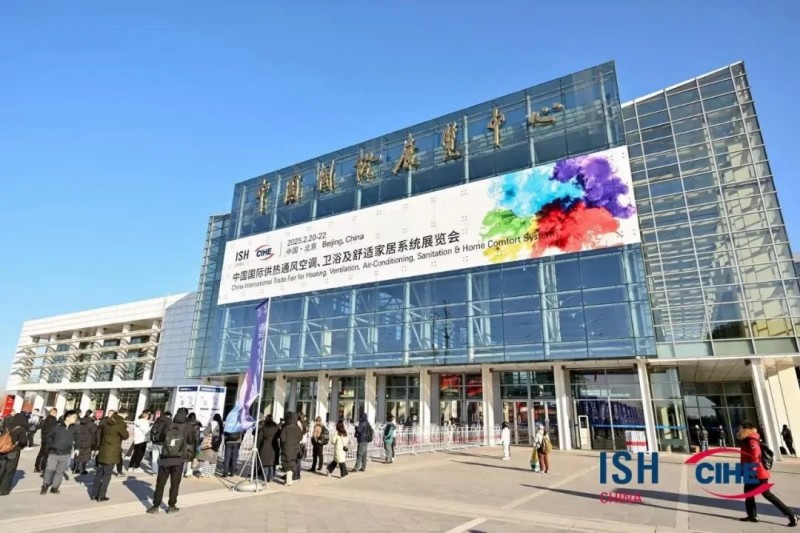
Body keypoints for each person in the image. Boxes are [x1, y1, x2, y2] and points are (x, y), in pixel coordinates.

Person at [737, 422, 798, 525]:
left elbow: (755, 456)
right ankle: (752, 515)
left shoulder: (751, 439)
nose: (739, 430)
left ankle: (791, 515)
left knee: (767, 494)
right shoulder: (746, 439)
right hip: (750, 470)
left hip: (756, 472)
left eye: (741, 428)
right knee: (748, 493)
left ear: (747, 429)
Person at [147, 408, 194, 514]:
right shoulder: (188, 426)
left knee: (160, 483)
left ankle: (155, 506)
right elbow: (191, 440)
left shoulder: (169, 424)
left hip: (166, 458)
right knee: (175, 484)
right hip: (179, 459)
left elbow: (161, 438)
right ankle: (171, 506)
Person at [91, 408, 129, 502]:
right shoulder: (120, 423)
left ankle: (94, 494)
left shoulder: (107, 421)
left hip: (103, 449)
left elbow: (99, 434)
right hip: (112, 451)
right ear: (124, 414)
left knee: (99, 473)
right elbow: (125, 436)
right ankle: (101, 495)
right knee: (107, 474)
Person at [41, 410, 79, 495]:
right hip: (54, 453)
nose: (75, 419)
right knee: (49, 469)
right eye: (74, 417)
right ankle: (45, 485)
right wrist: (53, 445)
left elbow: (78, 439)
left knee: (60, 471)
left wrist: (77, 448)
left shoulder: (74, 428)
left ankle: (54, 487)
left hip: (66, 454)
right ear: (68, 417)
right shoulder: (57, 427)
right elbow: (49, 437)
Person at [0, 412, 29, 495]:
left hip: (3, 450)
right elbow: (23, 441)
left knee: (1, 469)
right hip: (13, 451)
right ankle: (3, 490)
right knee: (9, 471)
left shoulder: (7, 427)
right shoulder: (21, 429)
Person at [279, 411, 303, 486]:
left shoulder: (287, 427)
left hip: (287, 448)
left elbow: (282, 438)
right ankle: (289, 479)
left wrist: (283, 444)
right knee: (292, 463)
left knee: (286, 463)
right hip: (295, 448)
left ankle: (288, 480)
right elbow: (300, 438)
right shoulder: (298, 428)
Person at [257, 414, 280, 482]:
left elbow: (259, 438)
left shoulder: (264, 427)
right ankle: (271, 477)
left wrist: (258, 446)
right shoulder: (276, 427)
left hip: (265, 445)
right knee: (272, 463)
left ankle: (264, 477)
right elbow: (279, 435)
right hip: (274, 445)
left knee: (265, 463)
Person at [34, 408, 58, 473]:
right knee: (46, 454)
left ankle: (36, 467)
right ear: (54, 413)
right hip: (49, 439)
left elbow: (41, 427)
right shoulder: (54, 421)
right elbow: (55, 431)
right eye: (56, 413)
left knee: (41, 453)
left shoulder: (45, 419)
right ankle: (43, 467)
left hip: (43, 438)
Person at [72, 411, 95, 476]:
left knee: (77, 454)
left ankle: (75, 468)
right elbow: (94, 431)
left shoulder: (80, 420)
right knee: (85, 455)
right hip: (87, 441)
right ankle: (82, 469)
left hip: (78, 440)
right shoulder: (90, 423)